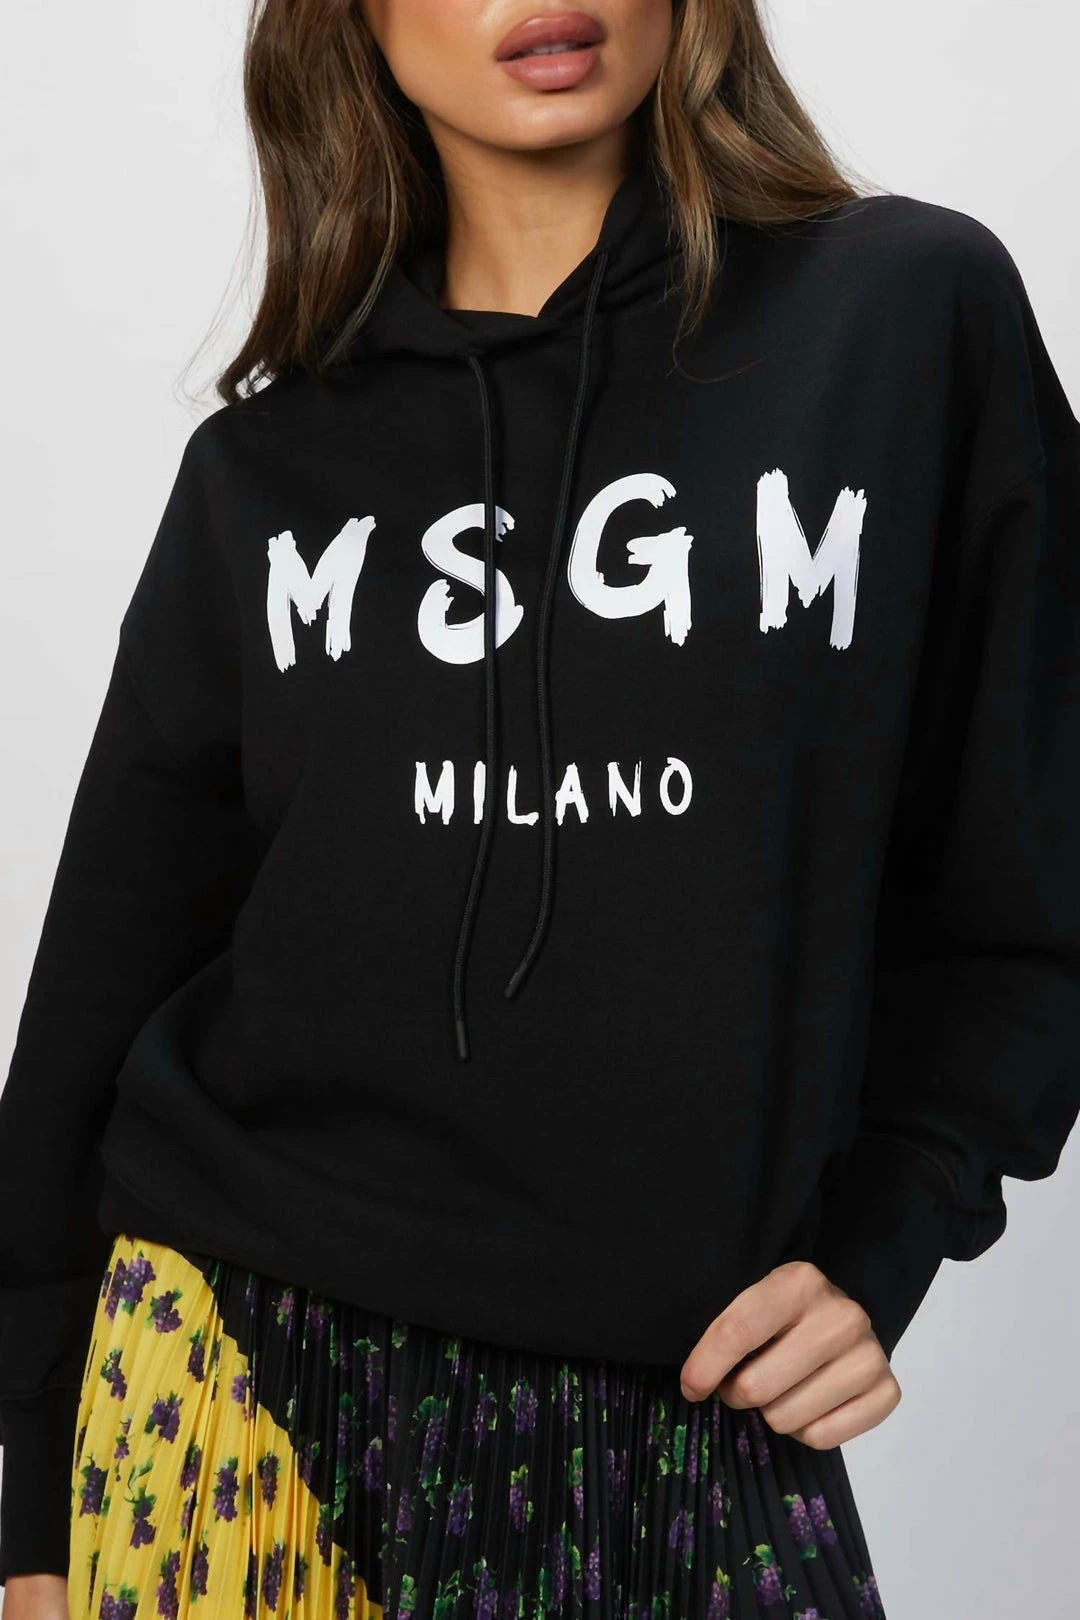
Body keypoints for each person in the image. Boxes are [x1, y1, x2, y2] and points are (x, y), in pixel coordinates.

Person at [2, 0, 1079, 1614]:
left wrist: (893, 1228)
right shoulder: (266, 472)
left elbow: (1039, 870)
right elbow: (101, 984)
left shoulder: (904, 318)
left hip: (692, 1394)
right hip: (234, 1377)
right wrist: (34, 1508)